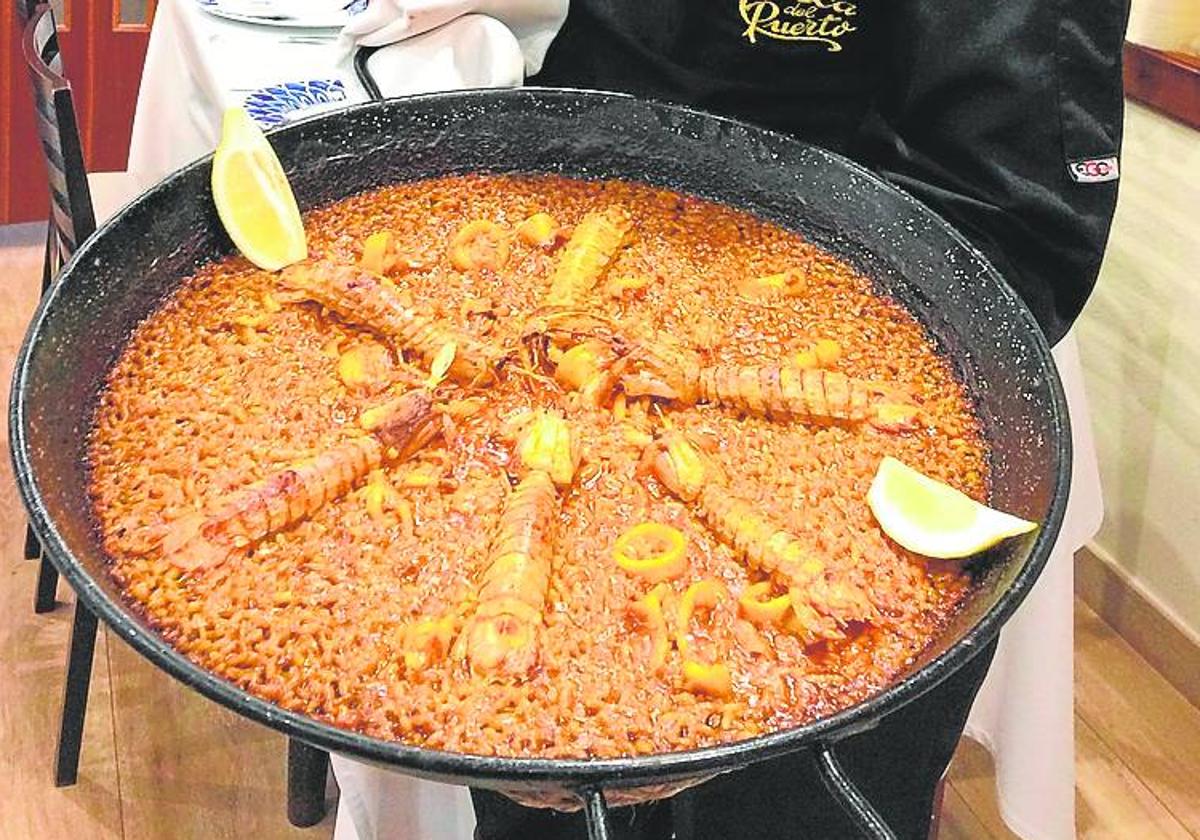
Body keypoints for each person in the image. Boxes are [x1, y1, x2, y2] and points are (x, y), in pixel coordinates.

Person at [333, 1, 1126, 837]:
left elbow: (1004, 220)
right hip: (571, 240)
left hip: (871, 372)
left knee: (795, 812)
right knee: (529, 789)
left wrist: (746, 350)